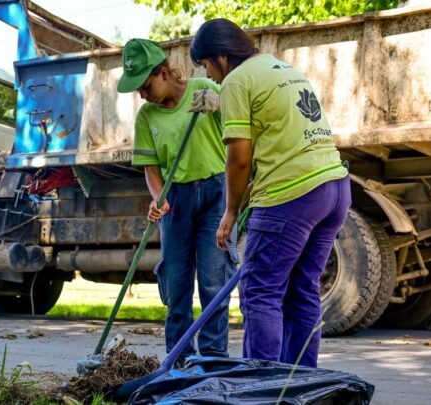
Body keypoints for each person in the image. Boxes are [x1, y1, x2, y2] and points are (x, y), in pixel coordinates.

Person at [190, 19, 352, 368]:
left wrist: (231, 213)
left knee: (260, 291)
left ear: (220, 56)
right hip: (335, 188)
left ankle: (261, 386)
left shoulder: (236, 80)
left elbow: (239, 159)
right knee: (302, 289)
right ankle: (299, 382)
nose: (210, 76)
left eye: (205, 65)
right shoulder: (280, 68)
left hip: (292, 194)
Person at [118, 38, 236, 365]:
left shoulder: (202, 88)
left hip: (215, 194)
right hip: (177, 201)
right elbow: (151, 170)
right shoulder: (146, 117)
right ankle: (179, 360)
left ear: (164, 73)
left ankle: (213, 360)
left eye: (146, 85)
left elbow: (239, 128)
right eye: (138, 90)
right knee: (176, 284)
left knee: (213, 282)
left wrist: (221, 103)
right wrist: (160, 198)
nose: (143, 94)